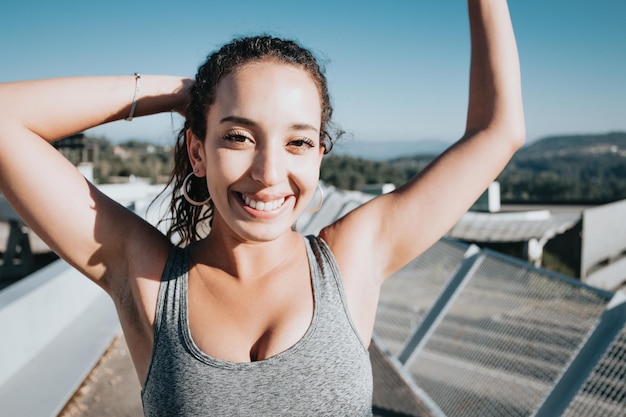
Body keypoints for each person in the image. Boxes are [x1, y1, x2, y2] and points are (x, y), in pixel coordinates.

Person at [0, 0, 524, 415]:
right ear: (198, 152)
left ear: (321, 154)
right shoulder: (148, 278)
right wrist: (181, 93)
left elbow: (497, 132)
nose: (269, 173)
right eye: (238, 136)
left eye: (298, 142)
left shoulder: (353, 257)